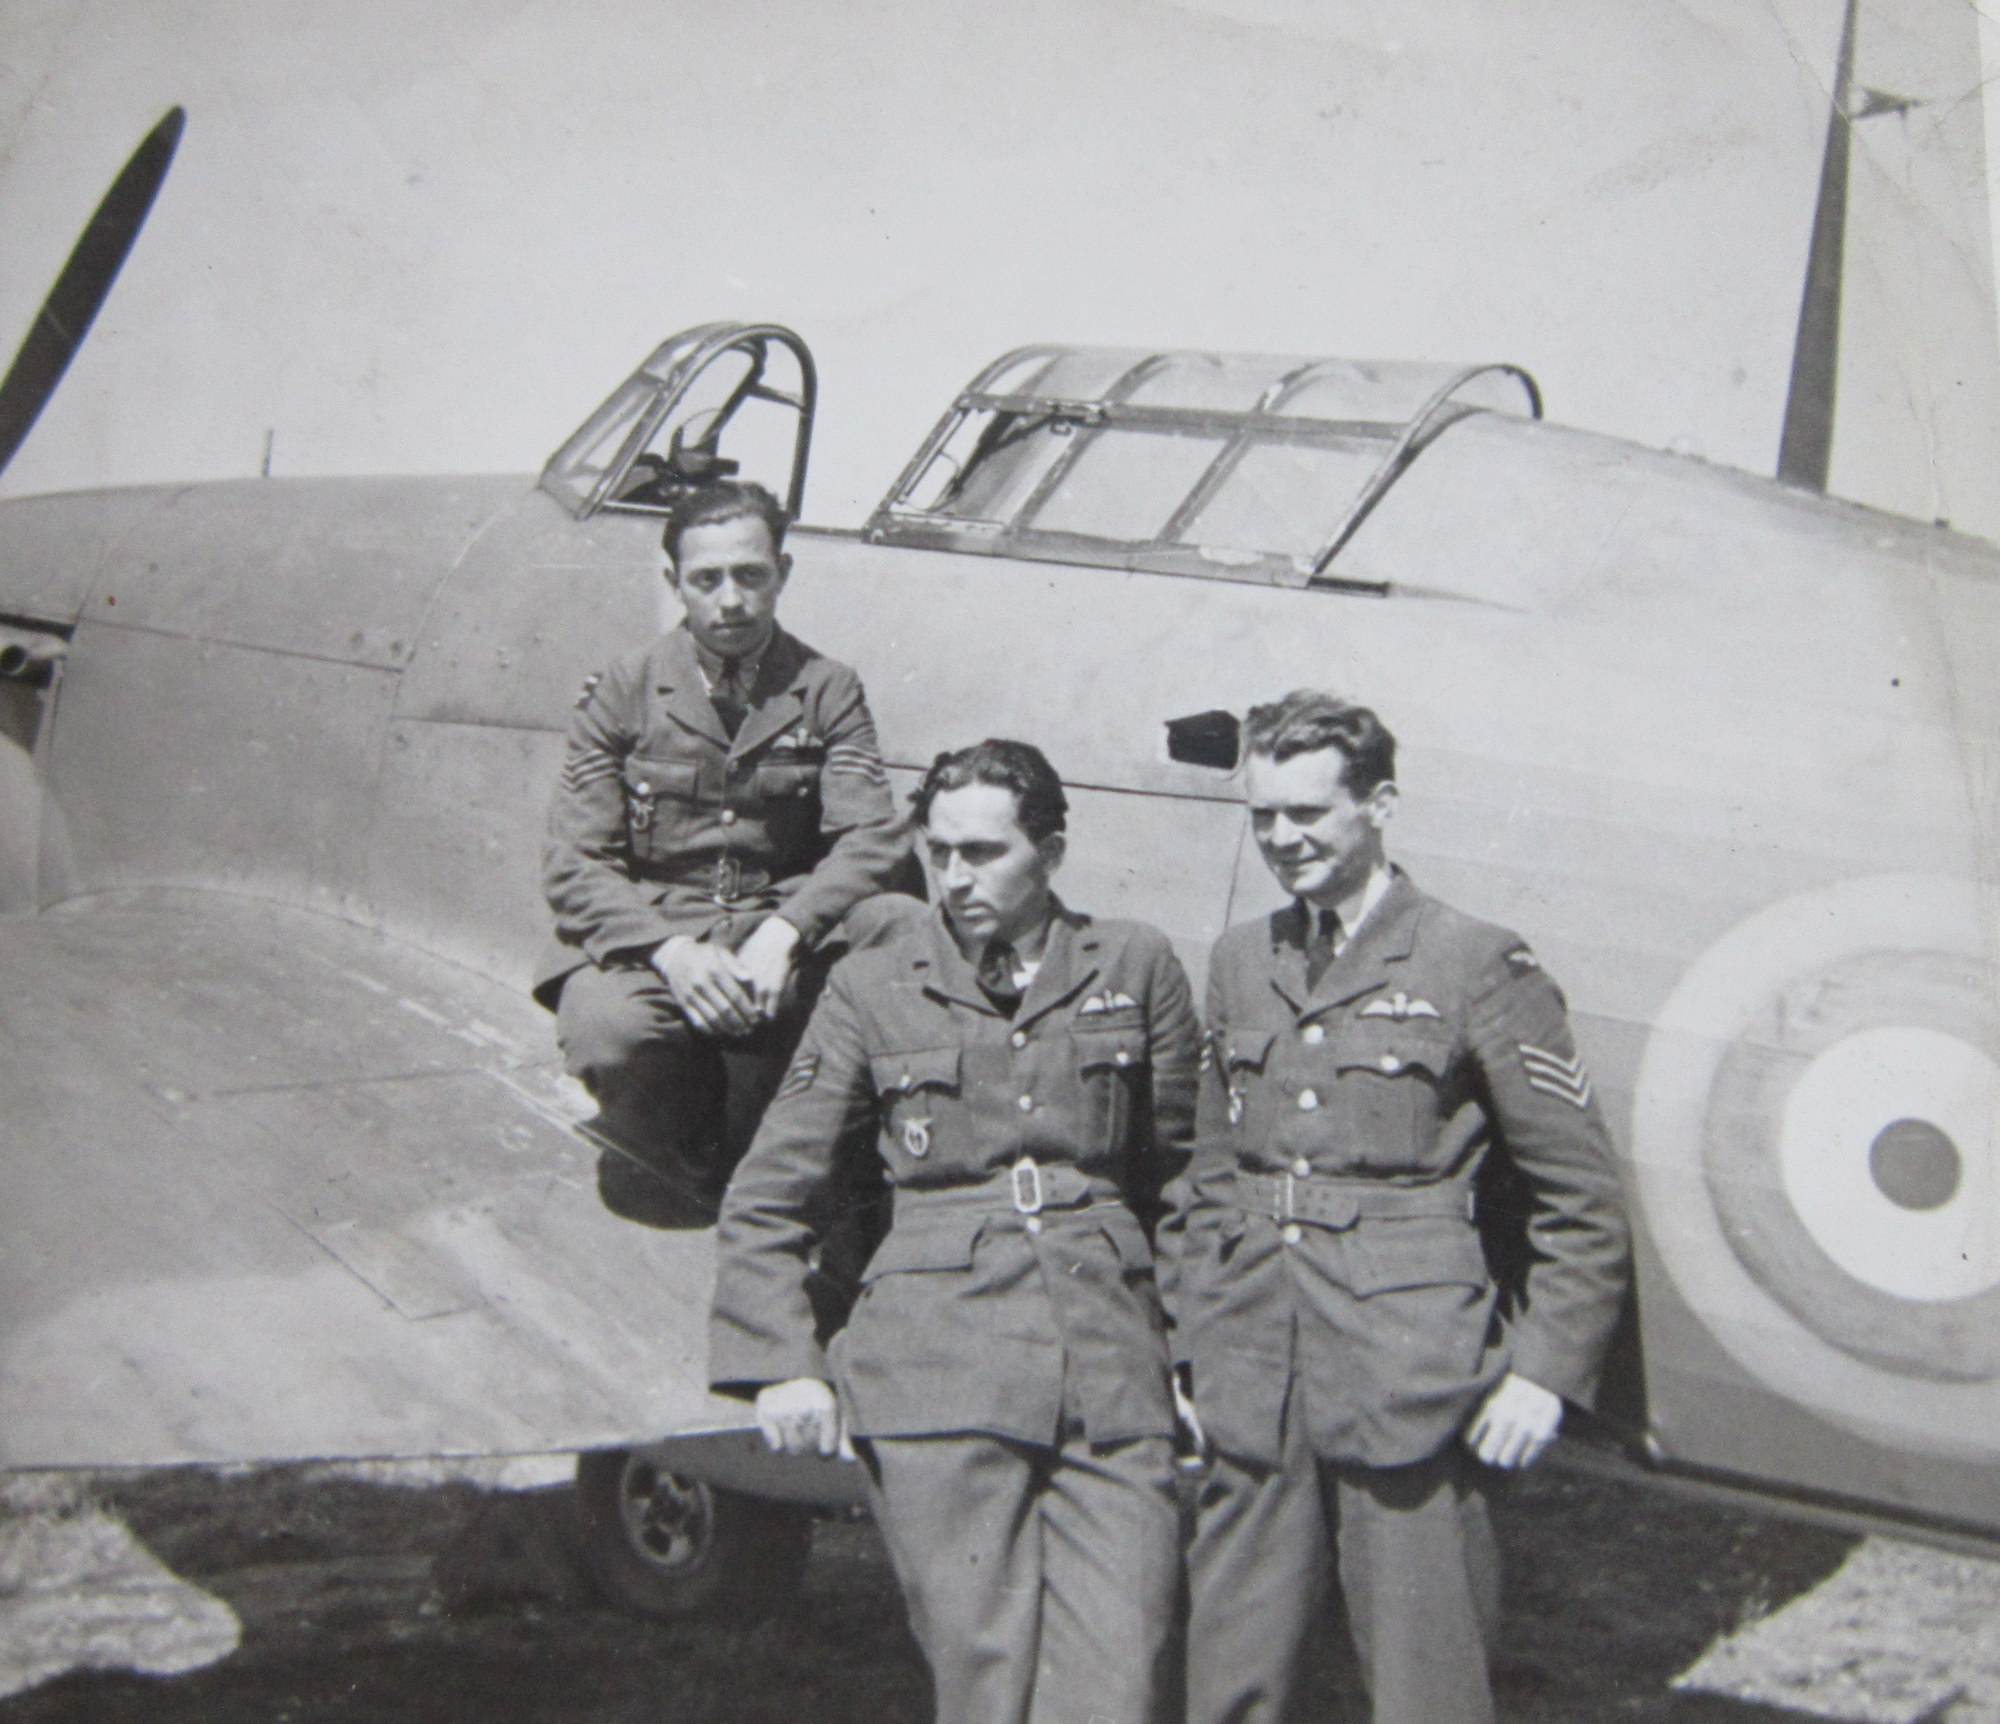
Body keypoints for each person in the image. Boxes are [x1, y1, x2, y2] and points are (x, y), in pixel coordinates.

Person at [709, 740, 1202, 1724]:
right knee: (985, 1675)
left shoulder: (1133, 962)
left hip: (1108, 1365)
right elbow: (770, 1190)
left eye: (983, 851)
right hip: (934, 1368)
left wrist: (1193, 1356)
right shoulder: (872, 984)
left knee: (1125, 1672)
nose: (955, 876)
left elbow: (1190, 1179)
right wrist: (781, 1361)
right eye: (939, 852)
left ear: (1050, 852)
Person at [1178, 690, 1631, 1724]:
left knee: (1425, 1688)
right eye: (1262, 816)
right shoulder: (1240, 959)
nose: (1281, 838)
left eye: (1308, 813)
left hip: (1408, 1376)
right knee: (1232, 1677)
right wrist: (1195, 1340)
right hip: (1254, 1367)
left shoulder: (1474, 960)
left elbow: (1577, 1195)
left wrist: (1544, 1373)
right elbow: (1213, 1169)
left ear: (1379, 804)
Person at [534, 479, 910, 1223]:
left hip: (779, 925)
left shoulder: (828, 689)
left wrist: (788, 929)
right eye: (707, 580)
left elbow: (871, 837)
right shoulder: (622, 691)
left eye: (750, 575)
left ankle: (820, 1137)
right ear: (675, 581)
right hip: (662, 929)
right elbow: (575, 863)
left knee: (902, 926)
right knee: (610, 1030)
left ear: (783, 573)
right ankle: (690, 1132)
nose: (731, 601)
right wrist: (671, 952)